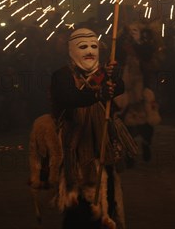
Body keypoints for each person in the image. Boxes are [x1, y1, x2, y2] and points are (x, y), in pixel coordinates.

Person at [51, 28, 135, 229]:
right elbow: (70, 97)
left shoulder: (100, 74)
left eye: (93, 47)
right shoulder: (62, 75)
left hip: (102, 147)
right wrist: (99, 95)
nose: (89, 51)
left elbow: (119, 87)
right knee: (79, 205)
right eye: (83, 47)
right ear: (72, 50)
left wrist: (113, 75)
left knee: (107, 196)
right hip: (75, 150)